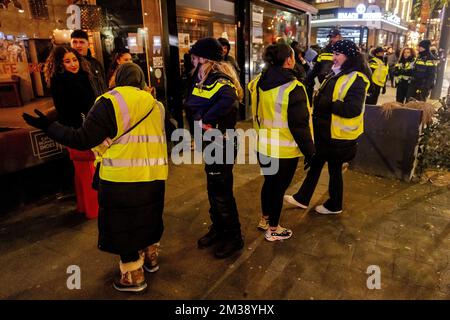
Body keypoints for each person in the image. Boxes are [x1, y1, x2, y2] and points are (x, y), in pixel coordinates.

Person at [23, 63, 168, 293]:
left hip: (121, 179)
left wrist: (49, 127)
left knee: (123, 226)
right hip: (154, 176)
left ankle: (133, 276)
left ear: (116, 78)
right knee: (148, 216)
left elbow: (82, 139)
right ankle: (151, 258)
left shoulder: (109, 102)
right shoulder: (156, 105)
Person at [284, 40, 370, 215]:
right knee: (316, 164)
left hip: (338, 136)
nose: (334, 58)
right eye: (334, 54)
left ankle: (334, 204)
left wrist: (329, 104)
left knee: (334, 170)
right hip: (326, 132)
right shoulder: (337, 73)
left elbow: (353, 109)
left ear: (349, 56)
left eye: (338, 54)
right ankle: (303, 198)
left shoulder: (357, 78)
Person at [248, 43, 315, 241]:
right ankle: (274, 229)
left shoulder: (258, 81)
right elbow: (300, 126)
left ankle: (265, 219)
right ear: (288, 60)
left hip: (263, 146)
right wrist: (310, 152)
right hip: (284, 151)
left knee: (269, 183)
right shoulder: (294, 88)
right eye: (293, 56)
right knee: (278, 189)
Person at [185, 37, 244, 258]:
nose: (192, 61)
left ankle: (234, 237)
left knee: (222, 191)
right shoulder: (204, 77)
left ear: (204, 58)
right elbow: (190, 103)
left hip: (221, 143)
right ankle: (218, 228)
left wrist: (206, 119)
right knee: (214, 188)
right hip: (212, 143)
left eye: (195, 57)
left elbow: (229, 99)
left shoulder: (219, 79)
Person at [42, 45, 99, 219]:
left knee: (82, 170)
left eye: (74, 60)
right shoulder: (64, 81)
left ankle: (84, 207)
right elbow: (77, 108)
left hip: (77, 131)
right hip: (77, 132)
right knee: (88, 170)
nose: (73, 64)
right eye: (67, 61)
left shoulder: (81, 77)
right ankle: (93, 209)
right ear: (60, 64)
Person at [306, 28, 342, 101]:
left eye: (334, 37)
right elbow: (317, 68)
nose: (331, 39)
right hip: (324, 84)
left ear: (339, 37)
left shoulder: (343, 51)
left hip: (338, 85)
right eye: (330, 37)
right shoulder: (324, 51)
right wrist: (307, 80)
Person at [70, 29, 107, 96]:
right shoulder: (68, 65)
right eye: (75, 42)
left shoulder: (95, 63)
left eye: (81, 42)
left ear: (88, 44)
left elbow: (103, 85)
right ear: (70, 44)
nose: (78, 45)